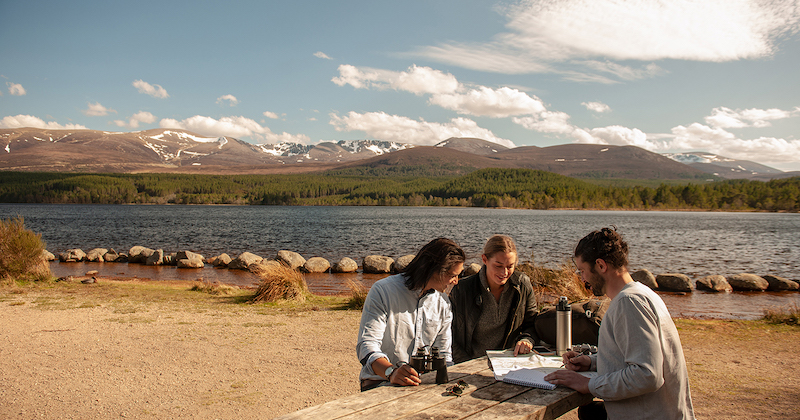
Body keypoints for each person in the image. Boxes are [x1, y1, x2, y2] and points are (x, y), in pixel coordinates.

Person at [544, 227, 695, 420]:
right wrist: (592, 362)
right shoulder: (643, 293)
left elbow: (647, 375)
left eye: (582, 271)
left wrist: (588, 384)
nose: (582, 279)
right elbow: (635, 355)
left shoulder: (628, 303)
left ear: (600, 265)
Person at [356, 237, 466, 391]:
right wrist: (391, 372)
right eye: (453, 275)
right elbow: (366, 346)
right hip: (380, 383)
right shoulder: (382, 291)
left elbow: (444, 355)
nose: (456, 281)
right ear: (433, 269)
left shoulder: (443, 303)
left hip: (421, 385)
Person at [449, 235, 538, 364]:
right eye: (498, 266)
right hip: (470, 364)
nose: (504, 272)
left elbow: (532, 323)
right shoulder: (462, 289)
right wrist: (466, 365)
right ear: (485, 259)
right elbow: (450, 336)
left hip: (510, 363)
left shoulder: (522, 284)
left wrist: (527, 340)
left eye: (510, 266)